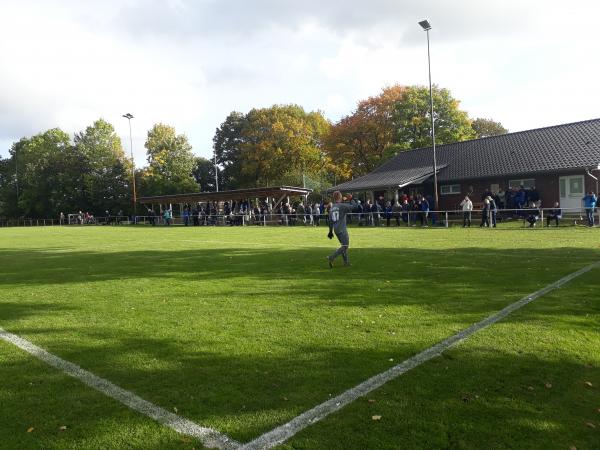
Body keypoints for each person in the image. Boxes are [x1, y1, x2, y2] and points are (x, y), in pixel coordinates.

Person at [327, 191, 357, 268]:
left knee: (343, 245)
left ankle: (346, 262)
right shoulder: (342, 206)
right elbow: (354, 206)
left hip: (336, 230)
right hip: (342, 229)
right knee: (345, 246)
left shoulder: (332, 208)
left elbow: (330, 221)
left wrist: (330, 231)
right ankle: (332, 257)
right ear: (340, 197)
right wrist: (351, 199)